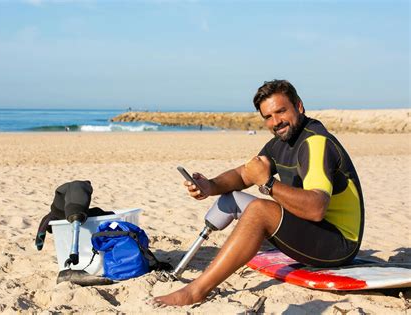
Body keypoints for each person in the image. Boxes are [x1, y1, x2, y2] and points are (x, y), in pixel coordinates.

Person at [153, 79, 365, 306]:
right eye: (268, 116)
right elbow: (245, 174)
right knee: (232, 197)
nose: (276, 122)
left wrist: (268, 183)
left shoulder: (315, 143)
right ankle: (185, 265)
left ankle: (196, 290)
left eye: (281, 111)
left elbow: (316, 208)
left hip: (338, 243)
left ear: (299, 106)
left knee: (259, 210)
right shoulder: (280, 142)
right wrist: (210, 186)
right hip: (313, 229)